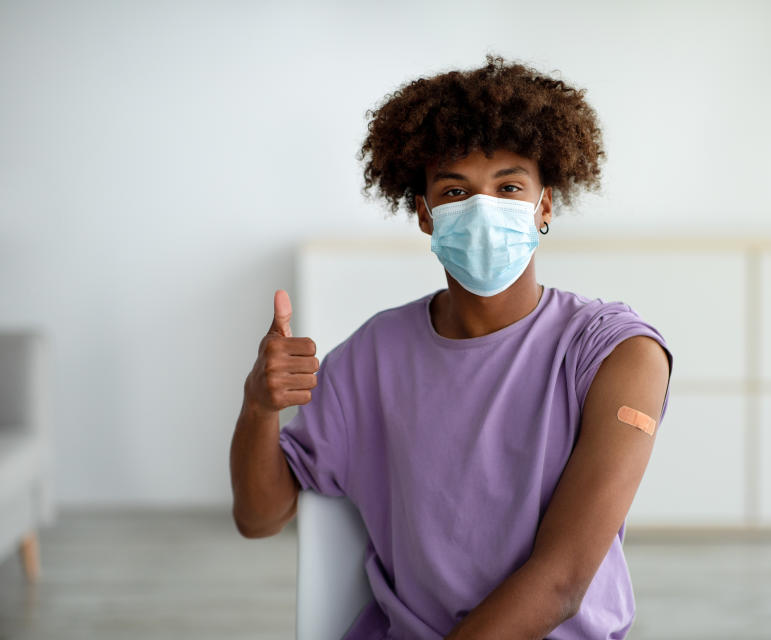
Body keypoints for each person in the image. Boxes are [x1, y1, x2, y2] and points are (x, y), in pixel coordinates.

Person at [230, 54, 674, 640]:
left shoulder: (617, 356)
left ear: (544, 205)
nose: (484, 209)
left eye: (509, 186)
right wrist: (260, 408)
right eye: (456, 190)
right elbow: (260, 517)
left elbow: (562, 582)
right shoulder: (371, 357)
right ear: (425, 214)